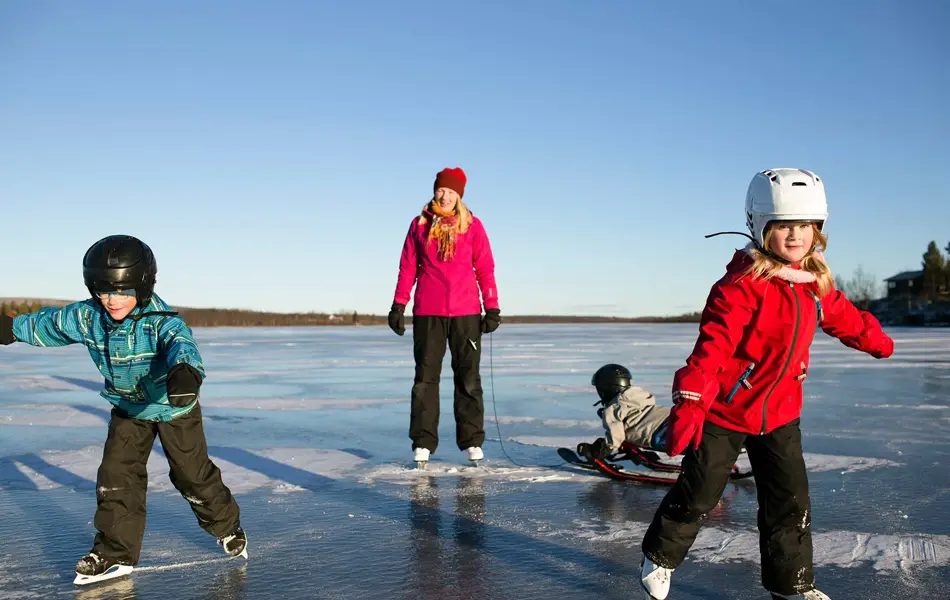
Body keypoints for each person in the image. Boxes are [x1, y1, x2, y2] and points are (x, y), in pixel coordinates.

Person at [638, 169, 894, 600]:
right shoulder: (741, 286)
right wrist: (690, 401)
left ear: (819, 229)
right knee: (700, 492)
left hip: (780, 414)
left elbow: (844, 318)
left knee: (789, 502)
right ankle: (660, 556)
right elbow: (712, 348)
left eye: (805, 225)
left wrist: (875, 340)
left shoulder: (815, 284)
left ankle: (792, 585)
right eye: (784, 226)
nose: (796, 236)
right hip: (727, 410)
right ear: (761, 227)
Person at [0, 235, 247, 583]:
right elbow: (50, 324)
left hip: (173, 407)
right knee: (116, 478)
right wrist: (11, 328)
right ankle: (115, 552)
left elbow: (183, 346)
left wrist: (185, 374)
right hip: (129, 408)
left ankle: (227, 526)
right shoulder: (88, 316)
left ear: (143, 285)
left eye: (122, 291)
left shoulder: (162, 321)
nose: (111, 300)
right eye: (103, 291)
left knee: (191, 474)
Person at [388, 167, 501, 465]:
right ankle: (423, 442)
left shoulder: (472, 226)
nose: (445, 196)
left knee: (468, 379)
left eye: (451, 192)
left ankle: (471, 441)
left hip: (466, 314)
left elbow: (485, 269)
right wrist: (399, 305)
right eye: (441, 190)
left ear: (459, 195)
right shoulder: (419, 225)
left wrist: (492, 307)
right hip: (428, 312)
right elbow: (407, 268)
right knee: (425, 379)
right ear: (435, 190)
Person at [587, 364, 670, 456]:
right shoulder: (640, 398)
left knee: (679, 443)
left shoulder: (614, 407)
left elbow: (616, 436)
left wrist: (604, 448)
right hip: (670, 416)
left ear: (606, 388)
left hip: (656, 433)